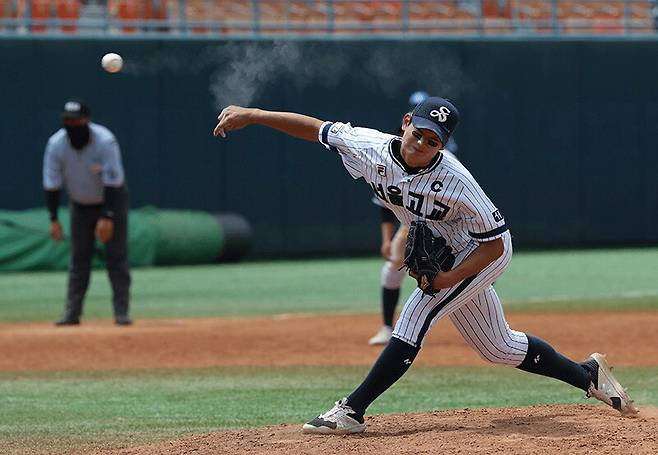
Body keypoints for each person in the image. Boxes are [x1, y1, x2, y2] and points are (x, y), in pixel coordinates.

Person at [212, 97, 637, 435]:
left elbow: (492, 245)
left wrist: (450, 276)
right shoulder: (370, 147)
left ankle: (352, 410)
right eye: (419, 133)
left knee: (417, 313)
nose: (422, 144)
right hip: (447, 246)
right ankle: (588, 374)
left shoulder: (457, 182)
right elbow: (316, 129)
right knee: (499, 347)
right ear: (405, 124)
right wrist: (253, 114)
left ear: (443, 145)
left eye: (433, 140)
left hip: (479, 251)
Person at [369, 91, 459, 345]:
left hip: (449, 223)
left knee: (470, 269)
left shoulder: (444, 154)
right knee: (392, 269)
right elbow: (385, 202)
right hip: (411, 223)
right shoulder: (395, 150)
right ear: (408, 119)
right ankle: (387, 327)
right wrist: (386, 239)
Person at [43, 99, 132, 326]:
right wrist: (53, 218)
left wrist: (107, 216)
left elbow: (113, 181)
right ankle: (71, 313)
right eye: (67, 120)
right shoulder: (56, 144)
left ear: (86, 121)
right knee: (79, 258)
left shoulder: (105, 141)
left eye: (76, 120)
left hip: (111, 202)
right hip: (80, 205)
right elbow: (52, 184)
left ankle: (121, 312)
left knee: (116, 256)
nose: (71, 124)